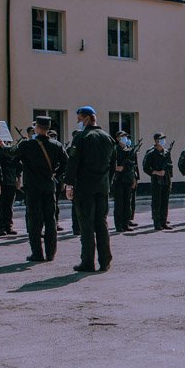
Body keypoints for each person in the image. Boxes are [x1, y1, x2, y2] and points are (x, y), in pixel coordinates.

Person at [64, 106, 116, 272]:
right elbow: (113, 165)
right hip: (102, 187)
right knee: (101, 223)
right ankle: (105, 261)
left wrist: (69, 184)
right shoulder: (108, 137)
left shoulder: (81, 137)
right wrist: (108, 183)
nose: (79, 122)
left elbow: (73, 163)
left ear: (86, 118)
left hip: (85, 188)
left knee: (86, 225)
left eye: (79, 119)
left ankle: (87, 262)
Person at [15, 116, 67, 262]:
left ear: (37, 127)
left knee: (34, 220)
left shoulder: (27, 144)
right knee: (50, 220)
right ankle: (50, 253)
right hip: (49, 186)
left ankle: (37, 253)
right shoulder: (56, 145)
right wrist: (55, 173)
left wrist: (1, 145)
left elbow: (11, 153)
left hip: (32, 187)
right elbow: (66, 163)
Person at [143, 133, 173, 230]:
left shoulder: (166, 152)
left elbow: (170, 165)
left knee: (165, 201)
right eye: (161, 139)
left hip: (166, 179)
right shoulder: (151, 153)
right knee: (157, 202)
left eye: (164, 138)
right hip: (156, 180)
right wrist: (156, 172)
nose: (163, 141)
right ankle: (157, 223)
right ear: (156, 141)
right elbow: (146, 167)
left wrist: (168, 175)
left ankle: (164, 222)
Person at [111, 131, 139, 232]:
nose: (125, 138)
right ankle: (119, 225)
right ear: (117, 138)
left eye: (126, 136)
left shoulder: (130, 150)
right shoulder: (114, 149)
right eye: (122, 136)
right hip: (118, 180)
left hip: (128, 179)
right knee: (119, 203)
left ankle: (126, 223)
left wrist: (134, 179)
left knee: (128, 203)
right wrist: (116, 168)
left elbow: (133, 166)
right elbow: (109, 162)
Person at [0, 137, 20, 236]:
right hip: (1, 181)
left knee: (9, 205)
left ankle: (8, 226)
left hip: (11, 180)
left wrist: (18, 179)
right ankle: (0, 227)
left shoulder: (12, 150)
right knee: (1, 205)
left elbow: (18, 166)